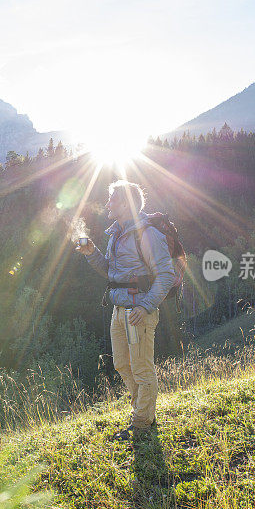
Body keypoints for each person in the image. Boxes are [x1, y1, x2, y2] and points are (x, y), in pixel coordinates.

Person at [76, 180, 175, 440]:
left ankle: (142, 424)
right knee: (122, 364)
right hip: (119, 311)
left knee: (142, 369)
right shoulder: (116, 234)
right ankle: (143, 412)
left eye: (112, 199)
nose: (107, 203)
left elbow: (166, 275)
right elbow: (112, 272)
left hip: (138, 312)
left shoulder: (148, 234)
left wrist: (145, 305)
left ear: (126, 204)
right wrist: (91, 253)